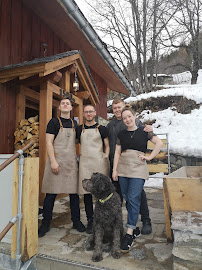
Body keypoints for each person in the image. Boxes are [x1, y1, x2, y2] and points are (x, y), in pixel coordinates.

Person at [112, 105, 163, 252]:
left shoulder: (145, 131)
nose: (127, 119)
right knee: (128, 198)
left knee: (134, 197)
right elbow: (117, 153)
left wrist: (149, 157)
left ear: (134, 116)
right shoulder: (121, 134)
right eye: (124, 118)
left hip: (138, 168)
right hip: (123, 168)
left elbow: (158, 144)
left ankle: (128, 234)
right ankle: (134, 228)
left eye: (129, 116)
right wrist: (115, 170)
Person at [38, 98, 85, 238]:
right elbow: (48, 142)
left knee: (74, 194)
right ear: (59, 107)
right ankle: (46, 223)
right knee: (51, 194)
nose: (65, 105)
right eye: (63, 103)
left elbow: (78, 141)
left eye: (68, 103)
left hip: (70, 163)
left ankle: (76, 221)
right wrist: (53, 161)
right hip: (56, 161)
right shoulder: (53, 122)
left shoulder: (74, 123)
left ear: (71, 108)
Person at [107, 98, 153, 235]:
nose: (117, 110)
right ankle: (119, 223)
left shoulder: (133, 120)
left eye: (119, 107)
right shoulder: (110, 126)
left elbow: (146, 133)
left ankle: (145, 220)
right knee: (119, 195)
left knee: (138, 194)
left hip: (134, 166)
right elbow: (110, 145)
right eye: (114, 108)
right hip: (117, 164)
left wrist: (150, 128)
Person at [76, 104, 110, 234]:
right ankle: (91, 220)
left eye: (91, 111)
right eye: (86, 112)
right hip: (85, 164)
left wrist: (105, 157)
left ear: (95, 113)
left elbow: (107, 145)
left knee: (101, 193)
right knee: (87, 194)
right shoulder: (79, 129)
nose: (89, 114)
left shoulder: (102, 129)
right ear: (83, 114)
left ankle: (103, 219)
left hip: (99, 163)